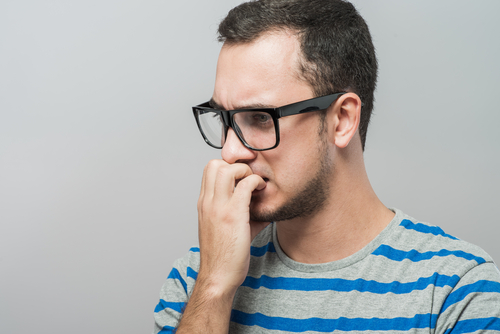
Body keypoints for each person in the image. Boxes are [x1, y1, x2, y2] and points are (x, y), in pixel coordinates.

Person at [153, 0, 500, 333]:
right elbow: (208, 282)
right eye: (224, 119)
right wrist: (214, 288)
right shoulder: (198, 278)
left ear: (342, 120)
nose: (229, 152)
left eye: (260, 117)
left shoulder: (457, 290)